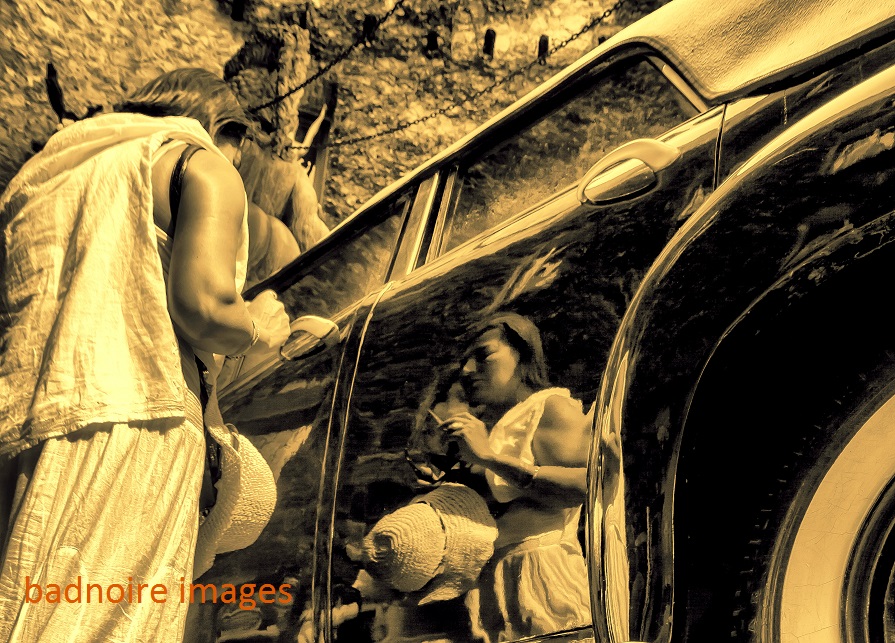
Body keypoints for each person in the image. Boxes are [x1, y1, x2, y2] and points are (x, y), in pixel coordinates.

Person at [0, 68, 291, 642]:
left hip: (24, 429)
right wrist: (256, 327)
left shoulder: (48, 173)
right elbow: (205, 308)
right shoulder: (199, 163)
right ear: (225, 131)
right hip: (136, 429)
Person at [437, 313, 592, 643]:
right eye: (464, 362)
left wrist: (490, 458)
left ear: (522, 355)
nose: (467, 371)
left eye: (483, 355)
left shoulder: (551, 406)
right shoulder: (493, 426)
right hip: (491, 588)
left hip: (542, 579)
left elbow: (583, 486)